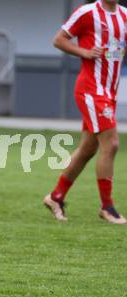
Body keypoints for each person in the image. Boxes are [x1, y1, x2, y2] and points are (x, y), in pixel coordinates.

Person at [44, 0, 126, 224]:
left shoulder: (124, 16)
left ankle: (56, 196)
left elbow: (119, 49)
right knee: (112, 144)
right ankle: (107, 207)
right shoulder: (87, 12)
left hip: (110, 92)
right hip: (91, 90)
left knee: (88, 148)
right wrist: (84, 52)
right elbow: (58, 39)